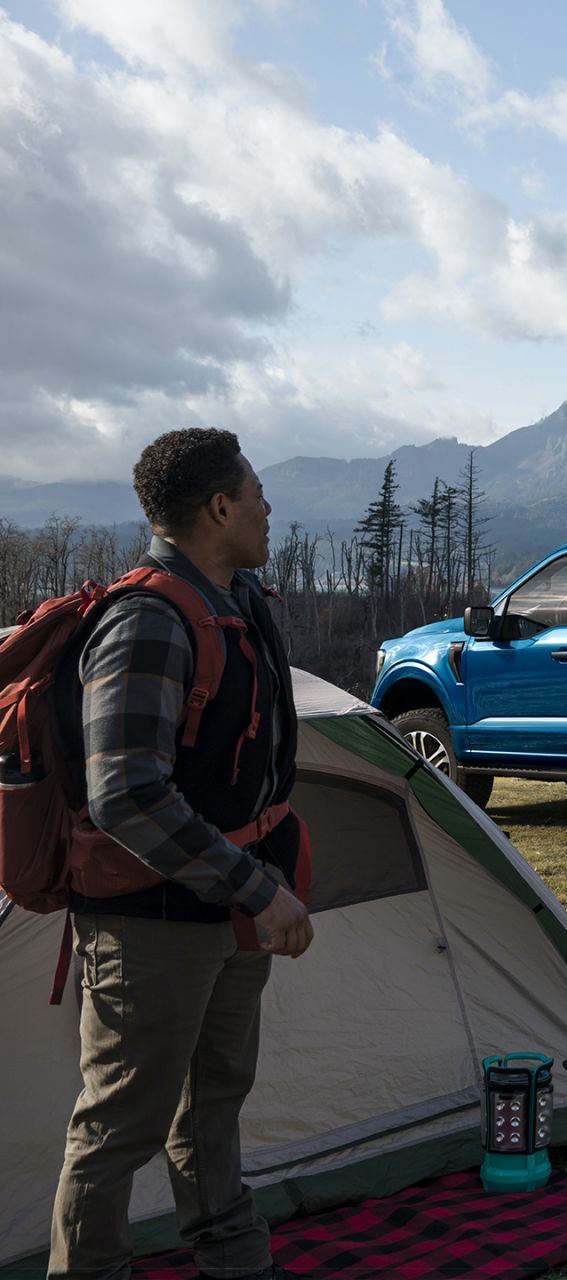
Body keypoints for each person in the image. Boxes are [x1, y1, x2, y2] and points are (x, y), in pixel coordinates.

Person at [50, 429, 311, 1280]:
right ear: (219, 507)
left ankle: (237, 1262)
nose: (270, 506)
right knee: (120, 1125)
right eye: (257, 490)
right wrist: (253, 887)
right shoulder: (149, 620)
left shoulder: (239, 601)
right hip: (150, 923)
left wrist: (256, 883)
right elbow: (123, 792)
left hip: (227, 906)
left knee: (211, 1107)